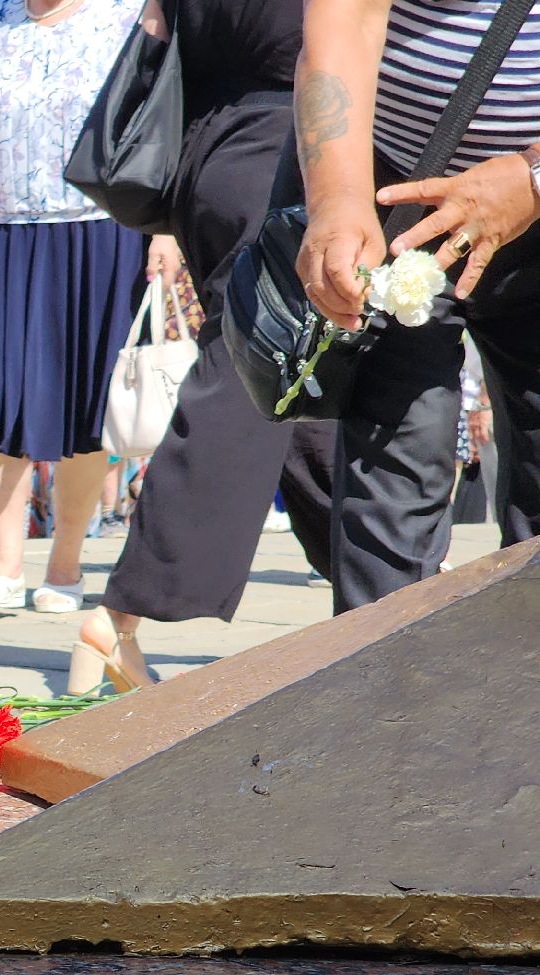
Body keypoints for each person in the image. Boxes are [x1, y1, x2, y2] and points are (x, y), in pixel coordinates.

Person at [68, 0, 339, 693]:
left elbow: (154, 40)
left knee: (301, 381)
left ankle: (384, 577)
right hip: (288, 150)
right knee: (251, 370)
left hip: (206, 159)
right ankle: (124, 607)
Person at [295, 0, 540, 613]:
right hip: (398, 189)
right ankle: (379, 696)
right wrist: (337, 198)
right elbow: (345, 17)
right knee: (390, 485)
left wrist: (534, 177)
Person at [0, 0, 152, 614]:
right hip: (6, 231)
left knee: (86, 405)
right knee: (1, 397)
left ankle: (66, 564)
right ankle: (4, 566)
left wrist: (164, 230)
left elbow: (162, 121)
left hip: (102, 229)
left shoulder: (127, 14)